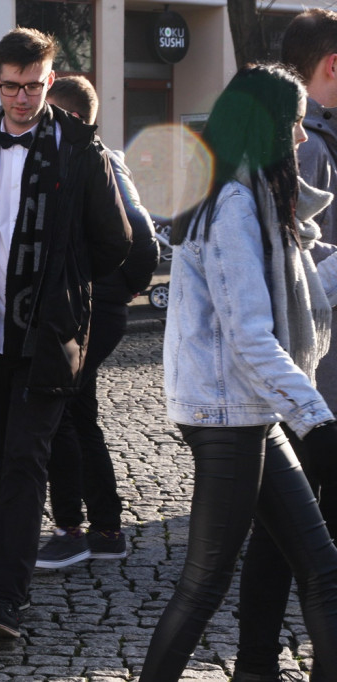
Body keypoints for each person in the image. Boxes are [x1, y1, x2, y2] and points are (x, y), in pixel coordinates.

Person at [139, 63, 337, 682]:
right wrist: (318, 422)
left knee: (322, 568)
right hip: (225, 412)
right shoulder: (230, 203)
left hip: (247, 409)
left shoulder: (249, 192)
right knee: (204, 583)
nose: (303, 139)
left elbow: (303, 285)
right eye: (297, 126)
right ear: (271, 128)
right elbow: (249, 333)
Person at [0, 27, 130, 638]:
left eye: (35, 86)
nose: (23, 98)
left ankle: (5, 601)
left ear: (50, 79)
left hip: (47, 334)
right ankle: (7, 550)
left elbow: (115, 243)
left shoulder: (79, 146)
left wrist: (65, 281)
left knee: (26, 459)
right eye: (13, 87)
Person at [234, 15, 337, 681]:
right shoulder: (305, 148)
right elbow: (291, 277)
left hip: (312, 379)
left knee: (282, 538)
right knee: (287, 541)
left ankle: (256, 663)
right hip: (310, 382)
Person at [35, 75, 160, 568]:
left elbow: (144, 237)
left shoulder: (99, 161)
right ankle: (105, 529)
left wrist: (118, 289)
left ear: (65, 117)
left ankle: (74, 529)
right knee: (77, 413)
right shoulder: (82, 158)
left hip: (93, 308)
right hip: (88, 304)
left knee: (63, 412)